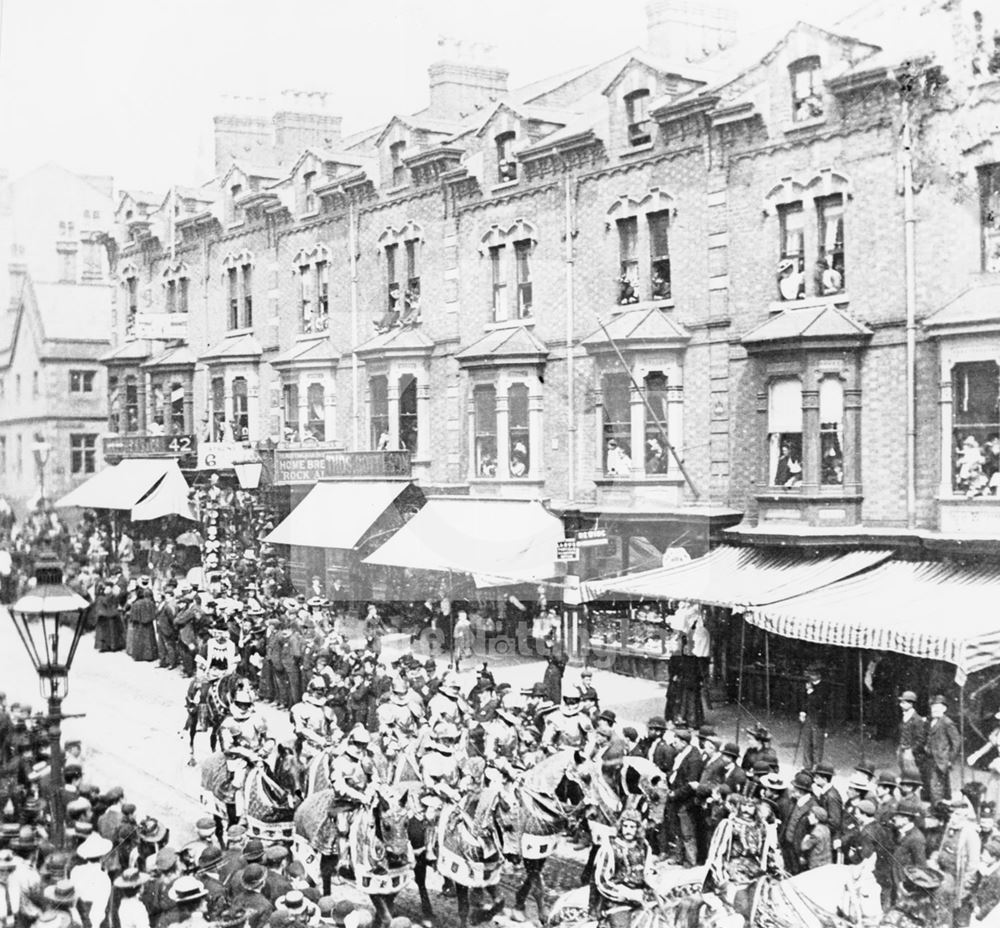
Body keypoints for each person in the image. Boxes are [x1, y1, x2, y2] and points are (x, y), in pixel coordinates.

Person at [591, 811, 655, 928]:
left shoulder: (643, 846)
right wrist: (627, 894)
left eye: (632, 827)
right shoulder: (610, 848)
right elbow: (601, 881)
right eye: (625, 826)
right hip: (617, 901)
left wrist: (651, 884)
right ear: (620, 827)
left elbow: (649, 870)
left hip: (641, 896)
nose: (628, 830)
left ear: (638, 829)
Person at [924, 694, 960, 805]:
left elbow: (956, 742)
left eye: (937, 707)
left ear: (944, 709)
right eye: (933, 707)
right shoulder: (931, 721)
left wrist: (950, 759)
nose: (934, 709)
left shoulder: (947, 722)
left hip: (941, 758)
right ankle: (942, 804)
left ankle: (936, 809)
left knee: (935, 785)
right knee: (936, 782)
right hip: (931, 757)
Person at [897, 691, 927, 783]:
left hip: (911, 754)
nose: (901, 705)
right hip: (902, 750)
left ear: (911, 704)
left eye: (903, 703)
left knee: (911, 778)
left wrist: (911, 750)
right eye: (901, 702)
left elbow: (921, 739)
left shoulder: (917, 719)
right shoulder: (904, 717)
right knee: (903, 773)